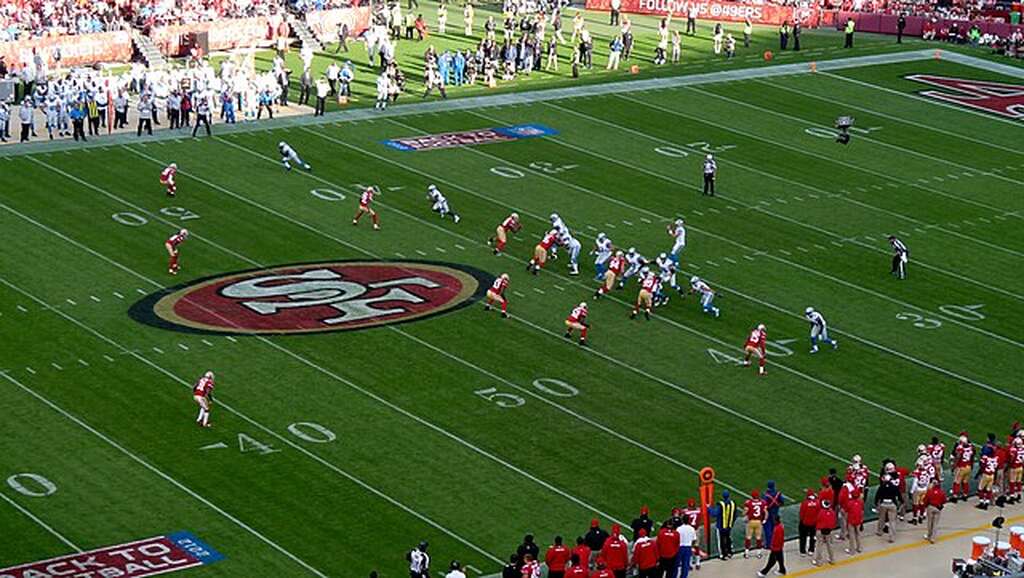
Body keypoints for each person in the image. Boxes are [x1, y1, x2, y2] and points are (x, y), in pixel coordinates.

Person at [874, 474, 902, 542]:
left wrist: (876, 504)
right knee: (892, 521)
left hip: (883, 504)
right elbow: (899, 496)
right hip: (892, 504)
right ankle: (891, 537)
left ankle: (879, 532)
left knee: (881, 519)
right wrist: (901, 503)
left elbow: (877, 497)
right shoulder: (894, 487)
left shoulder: (881, 487)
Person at [713, 490, 738, 559]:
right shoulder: (733, 503)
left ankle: (723, 554)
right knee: (728, 538)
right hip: (729, 525)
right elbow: (735, 515)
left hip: (721, 526)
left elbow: (714, 513)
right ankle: (729, 552)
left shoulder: (721, 504)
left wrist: (709, 508)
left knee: (721, 540)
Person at [813, 499, 836, 566]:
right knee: (830, 545)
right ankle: (832, 559)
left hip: (820, 530)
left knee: (819, 545)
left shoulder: (821, 512)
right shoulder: (832, 512)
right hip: (828, 531)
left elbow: (817, 520)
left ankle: (819, 561)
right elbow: (833, 521)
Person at [744, 490, 766, 559]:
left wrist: (745, 515)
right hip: (758, 521)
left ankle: (747, 553)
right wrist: (764, 519)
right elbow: (766, 512)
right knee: (758, 538)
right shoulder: (762, 502)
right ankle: (759, 553)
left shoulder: (748, 503)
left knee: (748, 537)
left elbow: (745, 511)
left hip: (751, 521)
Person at [923, 479, 946, 543]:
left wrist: (926, 506)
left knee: (930, 522)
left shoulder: (929, 492)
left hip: (930, 507)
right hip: (938, 508)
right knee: (935, 524)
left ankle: (929, 535)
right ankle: (933, 538)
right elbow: (944, 500)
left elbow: (926, 500)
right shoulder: (942, 492)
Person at [798, 490, 818, 557]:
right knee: (813, 537)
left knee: (803, 537)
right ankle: (811, 550)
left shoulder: (805, 503)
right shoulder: (817, 502)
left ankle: (802, 551)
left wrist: (802, 520)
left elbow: (801, 513)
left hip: (805, 523)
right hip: (814, 523)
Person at [843, 488, 864, 554]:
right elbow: (862, 511)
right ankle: (859, 548)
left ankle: (852, 550)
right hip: (858, 520)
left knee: (851, 535)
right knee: (858, 534)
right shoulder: (861, 502)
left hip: (851, 521)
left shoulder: (849, 503)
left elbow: (845, 511)